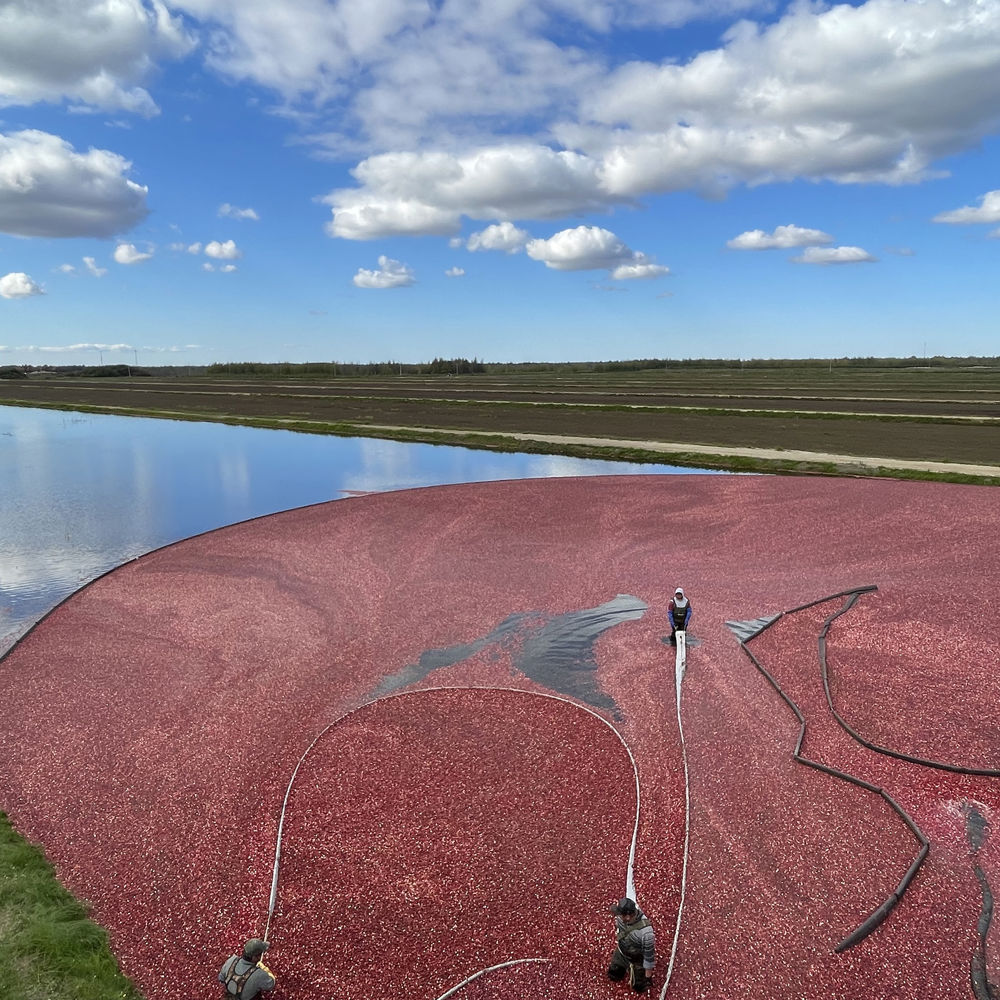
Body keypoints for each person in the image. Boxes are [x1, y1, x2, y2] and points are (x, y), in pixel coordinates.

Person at [608, 897, 655, 993]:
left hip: (637, 959)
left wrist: (648, 976)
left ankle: (640, 979)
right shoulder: (621, 918)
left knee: (639, 987)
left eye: (621, 914)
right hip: (621, 952)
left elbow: (649, 956)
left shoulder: (646, 932)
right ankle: (620, 968)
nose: (618, 916)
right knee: (613, 973)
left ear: (628, 917)